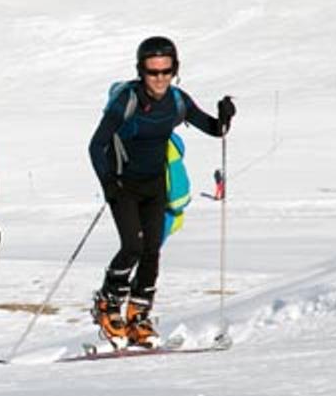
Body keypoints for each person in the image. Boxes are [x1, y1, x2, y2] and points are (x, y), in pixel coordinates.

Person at [88, 36, 235, 348]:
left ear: (174, 70)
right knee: (132, 247)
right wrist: (109, 185)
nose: (159, 79)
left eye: (165, 71)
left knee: (152, 250)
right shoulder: (126, 100)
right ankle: (108, 302)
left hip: (155, 185)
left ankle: (138, 316)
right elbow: (96, 145)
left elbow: (214, 128)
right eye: (152, 72)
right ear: (141, 71)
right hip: (124, 186)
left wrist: (224, 117)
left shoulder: (177, 101)